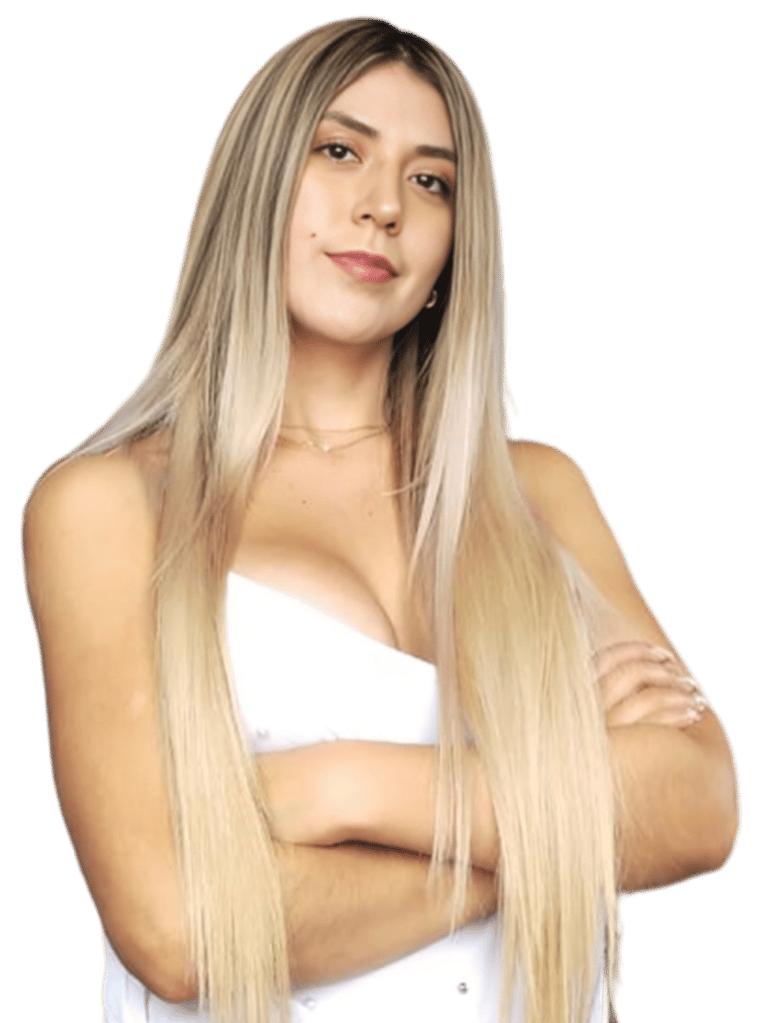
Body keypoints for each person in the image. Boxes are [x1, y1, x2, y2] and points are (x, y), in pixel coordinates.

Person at [20, 15, 741, 1023]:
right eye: (338, 151)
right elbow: (179, 930)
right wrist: (553, 842)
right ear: (254, 185)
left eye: (431, 180)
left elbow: (700, 807)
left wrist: (336, 788)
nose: (383, 208)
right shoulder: (112, 506)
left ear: (456, 243)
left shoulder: (537, 490)